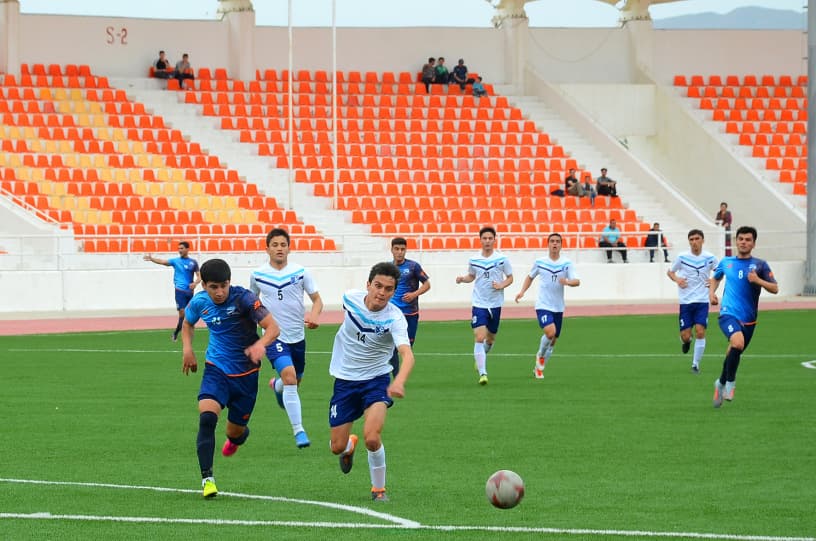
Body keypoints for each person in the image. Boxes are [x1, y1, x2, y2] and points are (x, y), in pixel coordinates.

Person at [182, 258, 280, 498]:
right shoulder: (199, 302)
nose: (219, 292)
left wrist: (259, 345)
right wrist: (187, 349)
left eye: (223, 285)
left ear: (229, 282)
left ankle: (238, 437)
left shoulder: (244, 299)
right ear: (203, 285)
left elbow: (273, 328)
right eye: (213, 287)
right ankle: (207, 479)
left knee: (235, 431)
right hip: (217, 369)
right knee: (206, 418)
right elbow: (188, 323)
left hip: (246, 376)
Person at [329, 262, 415, 503]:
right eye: (378, 286)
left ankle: (379, 490)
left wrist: (398, 381)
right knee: (336, 446)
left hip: (376, 381)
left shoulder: (395, 319)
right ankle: (347, 447)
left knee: (373, 437)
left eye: (388, 289)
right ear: (368, 284)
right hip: (345, 380)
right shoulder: (350, 299)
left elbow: (407, 355)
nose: (381, 293)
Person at [249, 228, 323, 449]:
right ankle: (299, 431)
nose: (279, 249)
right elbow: (251, 304)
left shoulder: (300, 272)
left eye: (283, 245)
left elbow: (317, 300)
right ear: (267, 249)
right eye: (275, 245)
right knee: (291, 378)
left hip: (297, 337)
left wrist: (315, 316)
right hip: (274, 338)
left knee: (294, 380)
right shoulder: (258, 274)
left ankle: (277, 385)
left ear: (289, 248)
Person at [709, 226, 778, 408]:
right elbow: (715, 278)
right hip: (728, 314)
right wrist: (711, 293)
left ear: (753, 243)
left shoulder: (760, 265)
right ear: (735, 241)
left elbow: (775, 288)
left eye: (748, 239)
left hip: (749, 319)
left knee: (734, 351)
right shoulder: (726, 262)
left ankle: (721, 383)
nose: (744, 242)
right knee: (737, 343)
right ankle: (731, 382)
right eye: (741, 239)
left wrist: (758, 281)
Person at [514, 233, 580, 379]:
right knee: (550, 333)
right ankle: (540, 356)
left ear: (561, 245)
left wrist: (568, 282)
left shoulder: (566, 263)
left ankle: (538, 368)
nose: (554, 244)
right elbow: (530, 277)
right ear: (548, 244)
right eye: (552, 241)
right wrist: (522, 292)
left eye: (557, 241)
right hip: (543, 305)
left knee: (553, 339)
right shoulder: (540, 262)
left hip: (558, 307)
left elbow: (577, 281)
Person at [455, 226, 514, 385]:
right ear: (480, 240)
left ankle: (480, 358)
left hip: (495, 304)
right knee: (479, 337)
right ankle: (483, 373)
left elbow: (510, 278)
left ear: (495, 240)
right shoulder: (474, 260)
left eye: (490, 238)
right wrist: (462, 279)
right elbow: (471, 276)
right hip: (479, 303)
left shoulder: (502, 259)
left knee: (490, 339)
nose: (487, 241)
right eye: (484, 238)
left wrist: (501, 285)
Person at [666, 229, 718, 374]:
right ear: (689, 241)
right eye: (691, 239)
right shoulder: (682, 257)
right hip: (686, 302)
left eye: (697, 239)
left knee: (700, 332)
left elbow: (719, 272)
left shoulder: (710, 258)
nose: (694, 242)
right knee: (686, 335)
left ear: (702, 240)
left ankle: (695, 365)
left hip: (702, 301)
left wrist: (713, 283)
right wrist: (677, 279)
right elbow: (670, 272)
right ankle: (686, 342)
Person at [388, 237, 431, 377]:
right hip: (393, 313)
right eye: (397, 249)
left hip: (410, 313)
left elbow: (427, 284)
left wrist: (414, 294)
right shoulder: (388, 268)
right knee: (392, 348)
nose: (400, 252)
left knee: (407, 347)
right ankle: (397, 376)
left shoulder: (413, 266)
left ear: (406, 250)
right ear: (392, 250)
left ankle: (399, 374)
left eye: (402, 249)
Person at [143, 241, 200, 341]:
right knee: (182, 313)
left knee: (189, 314)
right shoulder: (175, 261)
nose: (180, 250)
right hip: (180, 291)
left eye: (182, 248)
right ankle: (179, 333)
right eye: (179, 248)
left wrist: (195, 283)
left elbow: (199, 276)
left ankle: (177, 332)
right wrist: (152, 259)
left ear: (187, 249)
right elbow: (163, 262)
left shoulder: (193, 262)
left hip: (190, 292)